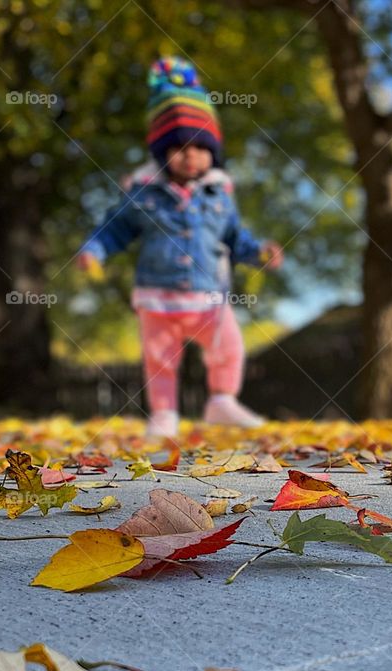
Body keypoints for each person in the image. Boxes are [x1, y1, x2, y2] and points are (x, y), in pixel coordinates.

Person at [77, 56, 283, 438]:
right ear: (162, 153)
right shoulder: (144, 194)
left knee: (229, 347)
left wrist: (258, 253)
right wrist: (94, 250)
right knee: (159, 359)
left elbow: (236, 238)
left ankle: (221, 400)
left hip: (208, 294)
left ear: (213, 152)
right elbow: (114, 229)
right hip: (157, 294)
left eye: (201, 147)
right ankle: (164, 414)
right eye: (179, 147)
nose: (191, 155)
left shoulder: (219, 195)